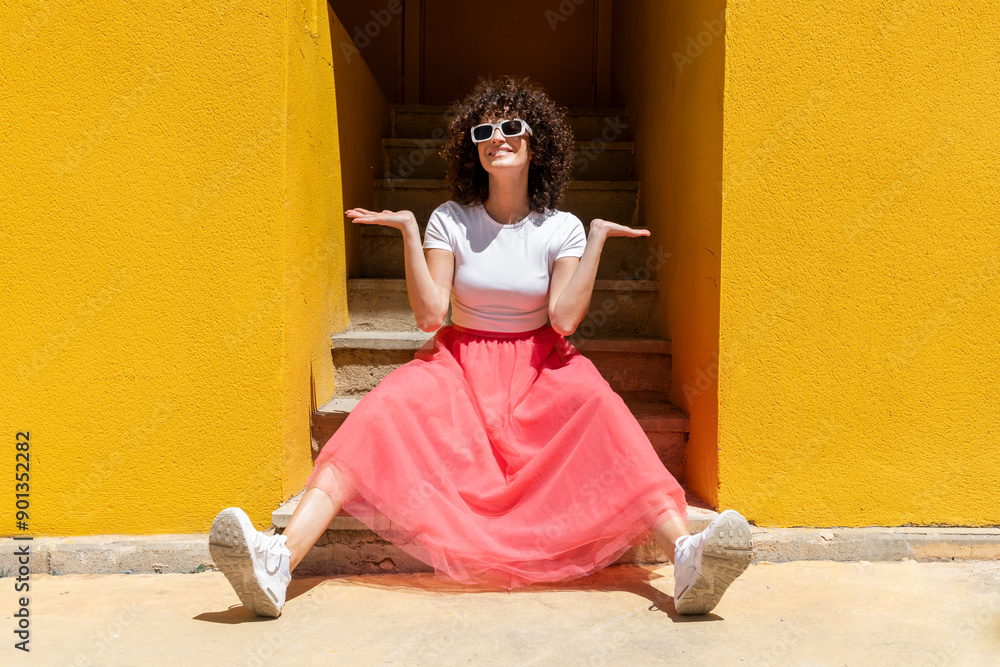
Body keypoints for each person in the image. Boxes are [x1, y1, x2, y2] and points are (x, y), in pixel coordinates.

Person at [209, 75, 753, 618]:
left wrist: (595, 241)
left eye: (512, 127)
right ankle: (277, 561)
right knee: (380, 411)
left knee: (603, 410)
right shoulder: (450, 218)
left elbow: (563, 320)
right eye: (485, 129)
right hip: (461, 362)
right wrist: (407, 231)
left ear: (536, 141)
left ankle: (686, 557)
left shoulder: (560, 227)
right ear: (473, 146)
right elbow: (428, 316)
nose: (499, 137)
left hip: (541, 363)